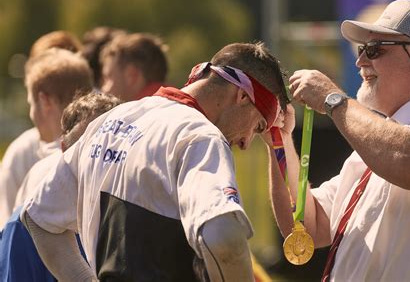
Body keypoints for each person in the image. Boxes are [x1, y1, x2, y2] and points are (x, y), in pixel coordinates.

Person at [21, 42, 289, 281]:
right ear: (242, 96)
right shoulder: (201, 137)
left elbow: (38, 218)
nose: (245, 143)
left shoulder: (114, 118)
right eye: (257, 126)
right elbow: (225, 239)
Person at [268, 0, 410, 281]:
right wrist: (279, 141)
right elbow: (307, 226)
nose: (360, 60)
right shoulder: (376, 144)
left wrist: (334, 100)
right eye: (362, 49)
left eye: (375, 50)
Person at [0, 92, 122, 282]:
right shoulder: (24, 225)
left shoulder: (135, 209)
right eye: (87, 150)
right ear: (65, 150)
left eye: (108, 151)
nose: (97, 162)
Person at [0, 48, 93, 229]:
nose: (31, 113)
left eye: (31, 104)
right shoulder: (105, 153)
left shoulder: (42, 173)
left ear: (45, 102)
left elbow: (10, 240)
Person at [100, 32, 169, 101]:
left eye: (108, 78)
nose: (103, 89)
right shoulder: (176, 101)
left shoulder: (141, 110)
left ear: (132, 75)